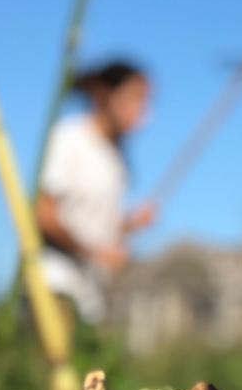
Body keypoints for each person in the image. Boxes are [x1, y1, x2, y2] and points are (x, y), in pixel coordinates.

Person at [36, 60, 158, 325]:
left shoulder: (117, 159)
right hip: (54, 287)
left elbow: (99, 228)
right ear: (105, 95)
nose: (144, 112)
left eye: (147, 102)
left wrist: (130, 225)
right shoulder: (69, 138)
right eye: (135, 99)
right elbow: (43, 214)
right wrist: (95, 254)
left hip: (91, 297)